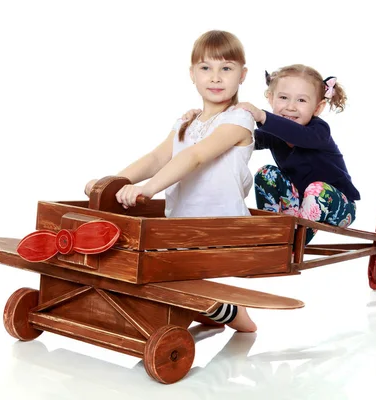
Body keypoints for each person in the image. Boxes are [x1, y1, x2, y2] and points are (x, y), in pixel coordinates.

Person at [84, 30, 257, 332]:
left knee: (166, 275)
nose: (215, 77)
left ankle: (235, 316)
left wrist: (148, 189)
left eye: (226, 68)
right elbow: (156, 158)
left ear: (242, 75)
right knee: (149, 268)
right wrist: (111, 182)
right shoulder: (186, 122)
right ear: (192, 74)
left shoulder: (239, 120)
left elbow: (196, 157)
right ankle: (211, 310)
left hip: (220, 225)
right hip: (180, 223)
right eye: (206, 68)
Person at [182, 64, 360, 243]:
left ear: (317, 108)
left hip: (338, 204)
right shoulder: (274, 134)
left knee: (317, 189)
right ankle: (271, 232)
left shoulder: (319, 131)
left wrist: (263, 117)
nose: (291, 107)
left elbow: (299, 136)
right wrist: (204, 123)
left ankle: (289, 245)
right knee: (266, 173)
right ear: (270, 98)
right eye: (283, 97)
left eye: (301, 100)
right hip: (298, 203)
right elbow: (240, 137)